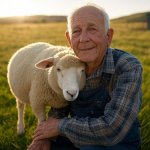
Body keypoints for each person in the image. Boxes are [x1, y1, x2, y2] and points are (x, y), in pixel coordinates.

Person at [28, 3, 142, 150]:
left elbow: (113, 129)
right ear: (69, 39)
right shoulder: (68, 64)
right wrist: (44, 138)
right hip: (76, 139)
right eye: (76, 31)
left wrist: (60, 126)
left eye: (92, 29)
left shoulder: (127, 67)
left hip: (118, 143)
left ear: (108, 36)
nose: (83, 39)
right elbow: (59, 107)